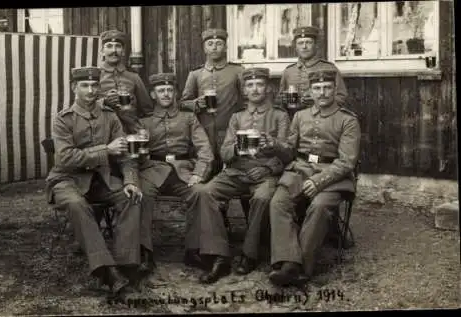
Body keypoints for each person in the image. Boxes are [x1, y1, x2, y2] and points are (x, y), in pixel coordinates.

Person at [45, 66, 149, 301]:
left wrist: (131, 180)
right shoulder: (63, 119)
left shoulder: (110, 116)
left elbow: (124, 155)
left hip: (100, 180)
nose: (91, 90)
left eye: (94, 85)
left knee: (130, 197)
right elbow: (66, 158)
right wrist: (105, 149)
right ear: (74, 88)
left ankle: (126, 264)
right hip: (66, 179)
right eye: (85, 86)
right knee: (76, 205)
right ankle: (107, 273)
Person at [268, 69, 361, 287]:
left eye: (327, 88)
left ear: (334, 89)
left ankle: (302, 267)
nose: (322, 93)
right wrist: (274, 145)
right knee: (278, 202)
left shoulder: (348, 120)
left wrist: (318, 182)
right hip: (300, 170)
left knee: (319, 205)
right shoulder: (300, 116)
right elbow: (290, 150)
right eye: (317, 88)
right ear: (311, 91)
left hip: (334, 175)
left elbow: (347, 162)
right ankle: (287, 261)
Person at [199, 67, 290, 283]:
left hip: (264, 173)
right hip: (236, 172)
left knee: (262, 198)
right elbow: (224, 153)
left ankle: (249, 254)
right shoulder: (237, 117)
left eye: (259, 84)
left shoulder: (280, 116)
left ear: (268, 88)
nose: (255, 89)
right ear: (244, 91)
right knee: (205, 192)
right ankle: (219, 255)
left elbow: (289, 153)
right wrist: (237, 150)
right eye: (250, 85)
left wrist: (271, 160)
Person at [136, 72, 215, 276]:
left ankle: (194, 250)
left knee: (200, 192)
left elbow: (205, 149)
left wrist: (199, 173)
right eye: (161, 90)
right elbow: (133, 154)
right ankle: (144, 252)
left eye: (170, 90)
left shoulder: (189, 118)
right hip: (152, 169)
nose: (166, 94)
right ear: (153, 95)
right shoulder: (143, 122)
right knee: (142, 194)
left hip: (183, 170)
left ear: (176, 93)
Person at [181, 28, 244, 176]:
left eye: (219, 43)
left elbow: (246, 100)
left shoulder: (237, 71)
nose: (214, 47)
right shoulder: (196, 74)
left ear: (226, 47)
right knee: (206, 170)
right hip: (203, 132)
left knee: (233, 170)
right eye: (210, 44)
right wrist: (196, 103)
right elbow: (183, 104)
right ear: (204, 48)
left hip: (229, 131)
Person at [278, 26, 348, 109]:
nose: (304, 47)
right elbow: (279, 100)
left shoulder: (329, 68)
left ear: (316, 45)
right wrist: (292, 99)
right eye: (300, 43)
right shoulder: (288, 71)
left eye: (308, 42)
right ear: (296, 47)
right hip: (294, 118)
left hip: (322, 118)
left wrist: (319, 101)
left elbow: (342, 97)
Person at [99, 29, 153, 133]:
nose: (114, 50)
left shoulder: (134, 77)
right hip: (102, 132)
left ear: (123, 51)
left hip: (130, 133)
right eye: (109, 46)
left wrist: (139, 128)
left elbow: (148, 111)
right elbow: (84, 106)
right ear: (102, 51)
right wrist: (104, 102)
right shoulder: (96, 77)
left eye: (118, 46)